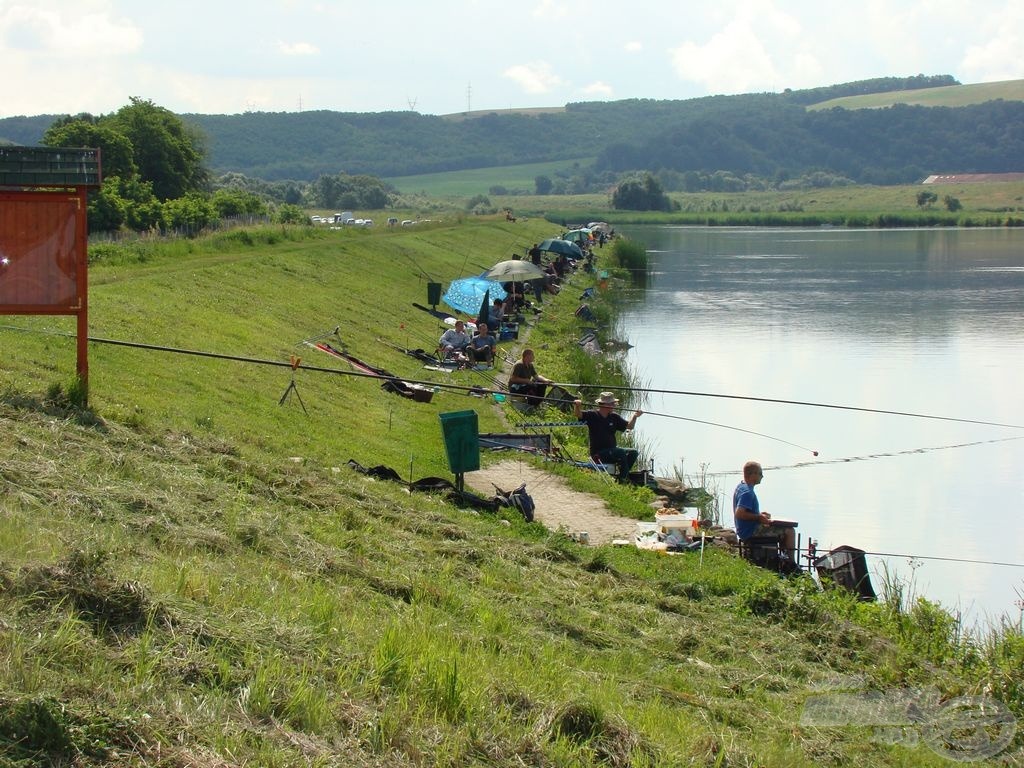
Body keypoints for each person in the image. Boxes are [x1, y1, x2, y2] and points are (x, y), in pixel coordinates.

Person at [733, 460, 796, 561]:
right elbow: (739, 513)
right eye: (760, 474)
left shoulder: (741, 486)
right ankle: (792, 563)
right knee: (789, 531)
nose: (762, 476)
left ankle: (784, 559)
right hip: (750, 532)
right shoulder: (747, 493)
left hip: (745, 529)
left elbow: (745, 511)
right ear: (752, 474)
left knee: (783, 527)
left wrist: (759, 514)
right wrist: (758, 517)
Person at [573, 392, 642, 482]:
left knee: (633, 452)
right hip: (598, 453)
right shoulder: (592, 415)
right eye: (613, 403)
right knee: (620, 452)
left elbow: (629, 426)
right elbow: (578, 414)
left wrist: (635, 416)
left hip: (612, 450)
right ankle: (623, 479)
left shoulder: (614, 417)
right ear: (606, 405)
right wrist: (577, 406)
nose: (614, 405)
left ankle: (622, 475)